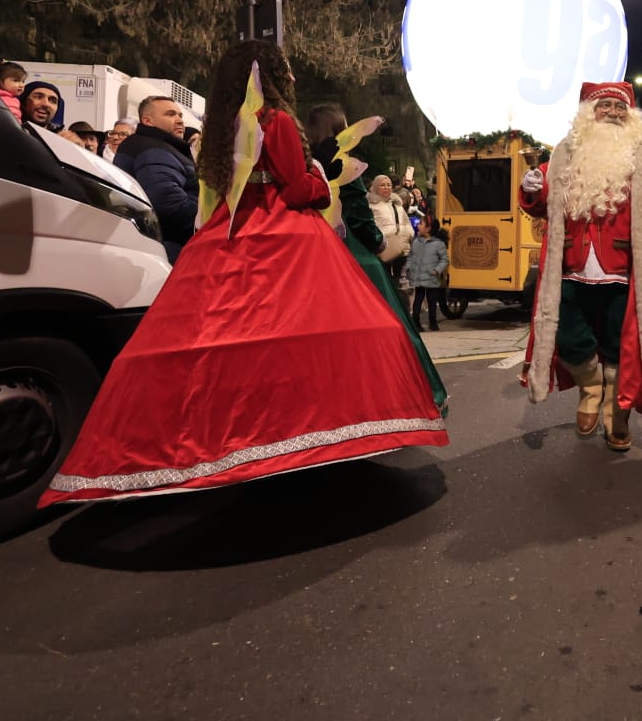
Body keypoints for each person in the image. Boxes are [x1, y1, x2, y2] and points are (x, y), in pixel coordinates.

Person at [41, 40, 447, 505]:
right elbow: (296, 190)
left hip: (231, 231)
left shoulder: (224, 125)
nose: (292, 78)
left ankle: (236, 445)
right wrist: (320, 181)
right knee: (308, 338)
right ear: (270, 74)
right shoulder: (274, 120)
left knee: (237, 342)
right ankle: (301, 436)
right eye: (286, 70)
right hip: (286, 232)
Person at [520, 81, 642, 451]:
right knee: (567, 338)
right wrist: (534, 191)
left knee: (621, 347)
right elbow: (544, 207)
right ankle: (590, 388)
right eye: (605, 108)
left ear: (631, 116)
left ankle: (618, 414)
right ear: (589, 114)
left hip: (622, 272)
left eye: (620, 109)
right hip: (570, 268)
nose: (613, 114)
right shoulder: (566, 154)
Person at [305, 103, 448, 415]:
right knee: (389, 329)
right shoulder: (342, 162)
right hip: (356, 256)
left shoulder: (304, 163)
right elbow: (357, 214)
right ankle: (405, 400)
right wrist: (381, 243)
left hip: (315, 257)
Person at [114, 95, 200, 263]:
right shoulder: (153, 149)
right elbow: (171, 207)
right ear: (148, 121)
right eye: (170, 114)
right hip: (167, 250)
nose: (180, 120)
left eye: (180, 115)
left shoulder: (159, 147)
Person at [369, 174, 413, 307]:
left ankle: (397, 305)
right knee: (385, 277)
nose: (386, 188)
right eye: (382, 185)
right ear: (376, 187)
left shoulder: (397, 203)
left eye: (388, 185)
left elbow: (405, 222)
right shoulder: (371, 205)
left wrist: (408, 235)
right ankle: (387, 304)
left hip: (400, 245)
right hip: (384, 246)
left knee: (398, 279)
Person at [405, 217, 449, 331]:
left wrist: (436, 270)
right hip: (418, 277)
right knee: (418, 300)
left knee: (432, 300)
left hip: (431, 277)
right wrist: (409, 267)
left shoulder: (438, 244)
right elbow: (410, 256)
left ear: (428, 228)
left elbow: (444, 259)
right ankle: (415, 322)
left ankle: (433, 322)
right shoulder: (416, 242)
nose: (418, 225)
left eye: (421, 224)